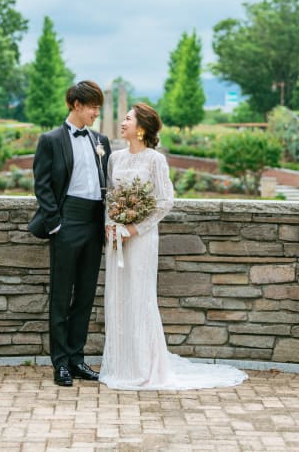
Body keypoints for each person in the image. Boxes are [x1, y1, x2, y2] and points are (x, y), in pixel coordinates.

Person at [99, 102, 247, 390]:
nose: (123, 122)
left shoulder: (155, 160)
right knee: (118, 298)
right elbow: (110, 195)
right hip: (117, 238)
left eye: (128, 118)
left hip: (141, 239)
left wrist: (135, 228)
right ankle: (121, 366)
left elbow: (165, 201)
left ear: (141, 127)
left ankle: (144, 368)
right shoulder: (115, 158)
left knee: (140, 299)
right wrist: (112, 224)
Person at [28, 80, 111, 387]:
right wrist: (56, 224)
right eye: (92, 107)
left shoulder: (100, 140)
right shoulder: (50, 139)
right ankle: (60, 363)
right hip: (67, 223)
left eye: (99, 108)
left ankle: (77, 359)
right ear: (76, 105)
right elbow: (43, 185)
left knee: (86, 295)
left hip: (94, 225)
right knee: (62, 296)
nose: (95, 113)